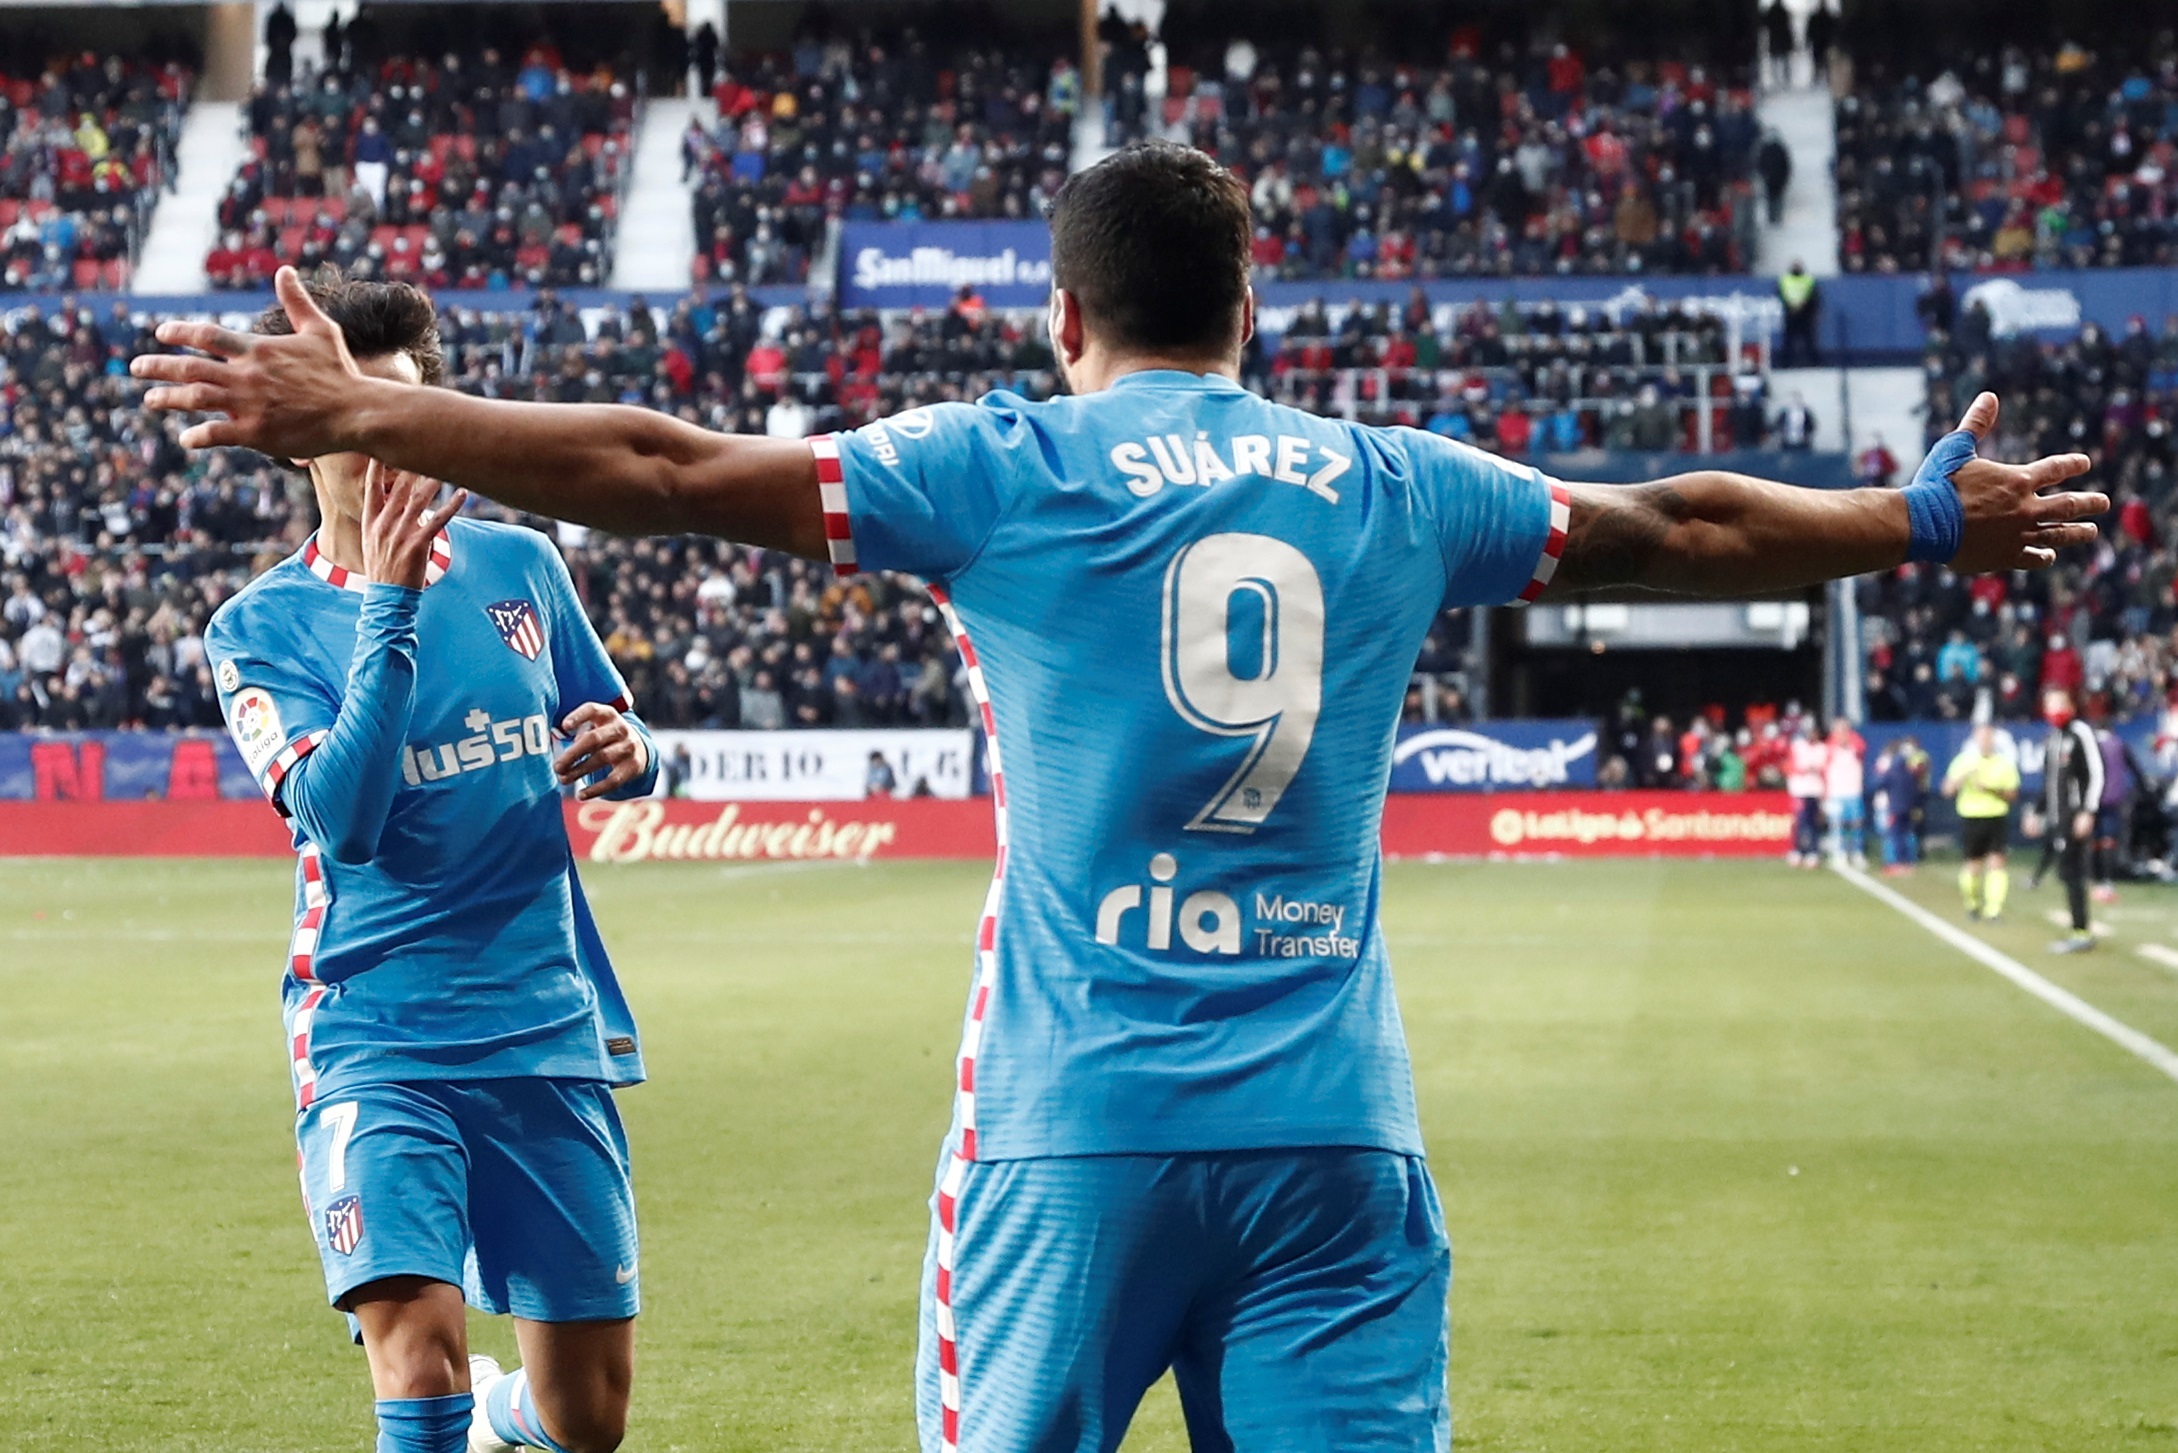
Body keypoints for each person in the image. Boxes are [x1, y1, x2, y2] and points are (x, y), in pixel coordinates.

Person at [137, 141, 2105, 1453]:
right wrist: (1916, 516)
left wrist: (367, 413)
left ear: (1061, 324)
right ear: (1255, 311)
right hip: (1336, 1148)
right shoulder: (1389, 477)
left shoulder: (1006, 465)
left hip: (1068, 1147)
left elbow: (658, 464)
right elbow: (1681, 520)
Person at [196, 272, 658, 1453]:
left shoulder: (522, 572)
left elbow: (611, 719)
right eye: (362, 417)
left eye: (408, 411)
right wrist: (388, 610)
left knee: (587, 1417)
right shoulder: (259, 627)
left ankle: (513, 1415)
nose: (393, 444)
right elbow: (342, 822)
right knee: (419, 1352)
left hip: (540, 1019)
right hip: (375, 1028)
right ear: (310, 442)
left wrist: (633, 746)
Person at [2041, 688, 2103, 954]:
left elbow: (2096, 773)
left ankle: (2081, 932)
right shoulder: (2053, 739)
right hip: (2059, 816)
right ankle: (2078, 929)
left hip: (2074, 814)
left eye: (2058, 703)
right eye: (2049, 704)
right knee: (2066, 873)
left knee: (2073, 872)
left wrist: (2087, 811)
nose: (2053, 709)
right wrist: (2038, 811)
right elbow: (2050, 783)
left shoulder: (2080, 732)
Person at [1942, 721, 2020, 919]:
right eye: (1982, 737)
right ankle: (1972, 902)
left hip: (1996, 816)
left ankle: (1994, 909)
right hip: (1972, 817)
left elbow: (2012, 794)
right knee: (1973, 866)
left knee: (1997, 863)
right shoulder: (1964, 761)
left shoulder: (2003, 763)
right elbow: (1947, 790)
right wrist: (1962, 778)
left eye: (1989, 737)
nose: (1986, 741)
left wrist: (1991, 789)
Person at [1786, 716, 1829, 868]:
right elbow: (1789, 767)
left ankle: (1813, 852)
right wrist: (1804, 770)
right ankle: (1797, 851)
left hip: (1815, 790)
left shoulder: (1823, 748)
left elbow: (1826, 770)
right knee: (1800, 822)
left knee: (1813, 823)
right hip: (1800, 790)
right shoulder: (1797, 746)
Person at [1823, 717, 1866, 866]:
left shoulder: (1855, 744)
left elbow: (1861, 748)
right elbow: (1824, 768)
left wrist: (1848, 739)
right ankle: (1838, 853)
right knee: (1836, 825)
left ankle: (1857, 852)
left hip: (1853, 791)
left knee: (1856, 824)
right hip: (1836, 793)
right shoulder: (1829, 747)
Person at [1778, 259, 1821, 366]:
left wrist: (1804, 306)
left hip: (1805, 314)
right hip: (1790, 314)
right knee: (1788, 341)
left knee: (1809, 340)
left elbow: (1814, 297)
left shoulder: (1808, 280)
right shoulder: (1784, 280)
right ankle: (1785, 363)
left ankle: (1813, 362)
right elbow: (1780, 296)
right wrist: (1789, 306)